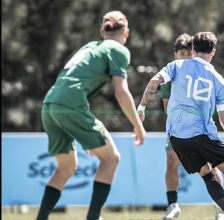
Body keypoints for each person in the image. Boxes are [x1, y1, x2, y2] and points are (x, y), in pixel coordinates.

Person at [137, 32, 224, 220]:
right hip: (203, 134)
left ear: (193, 50)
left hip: (177, 137)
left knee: (207, 176)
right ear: (213, 52)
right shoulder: (219, 80)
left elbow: (154, 81)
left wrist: (142, 106)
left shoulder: (177, 65)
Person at [36, 11, 146, 220]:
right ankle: (93, 217)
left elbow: (74, 81)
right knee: (111, 158)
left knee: (66, 167)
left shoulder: (89, 47)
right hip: (70, 105)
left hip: (50, 104)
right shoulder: (119, 50)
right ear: (126, 33)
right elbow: (121, 93)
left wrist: (82, 131)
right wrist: (138, 126)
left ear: (102, 32)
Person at [160, 33, 224, 220]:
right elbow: (167, 107)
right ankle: (172, 205)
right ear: (175, 54)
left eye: (189, 53)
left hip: (201, 129)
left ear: (195, 54)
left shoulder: (204, 72)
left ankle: (219, 209)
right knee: (171, 162)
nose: (185, 57)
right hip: (178, 128)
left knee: (212, 166)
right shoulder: (171, 73)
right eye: (181, 53)